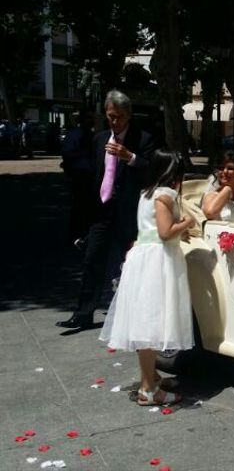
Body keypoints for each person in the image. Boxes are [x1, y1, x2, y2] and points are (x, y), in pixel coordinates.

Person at [99, 149, 194, 406]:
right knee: (151, 324)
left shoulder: (147, 194)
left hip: (143, 257)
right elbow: (164, 232)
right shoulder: (165, 195)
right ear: (173, 175)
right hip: (157, 261)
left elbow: (153, 229)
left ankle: (150, 376)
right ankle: (149, 389)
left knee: (145, 322)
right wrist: (187, 222)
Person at [56, 90, 155, 329]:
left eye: (119, 117)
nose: (115, 121)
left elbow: (153, 170)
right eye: (111, 116)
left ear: (128, 115)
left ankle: (140, 314)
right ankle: (83, 313)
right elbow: (95, 173)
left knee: (131, 264)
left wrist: (130, 157)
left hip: (129, 214)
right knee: (92, 260)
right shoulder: (100, 139)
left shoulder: (143, 139)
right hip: (102, 211)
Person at [61, 110, 96, 246]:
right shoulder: (74, 135)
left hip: (92, 175)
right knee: (79, 207)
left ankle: (87, 236)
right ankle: (74, 236)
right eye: (88, 118)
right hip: (80, 174)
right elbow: (67, 154)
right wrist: (82, 153)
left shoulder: (94, 135)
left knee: (90, 208)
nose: (91, 121)